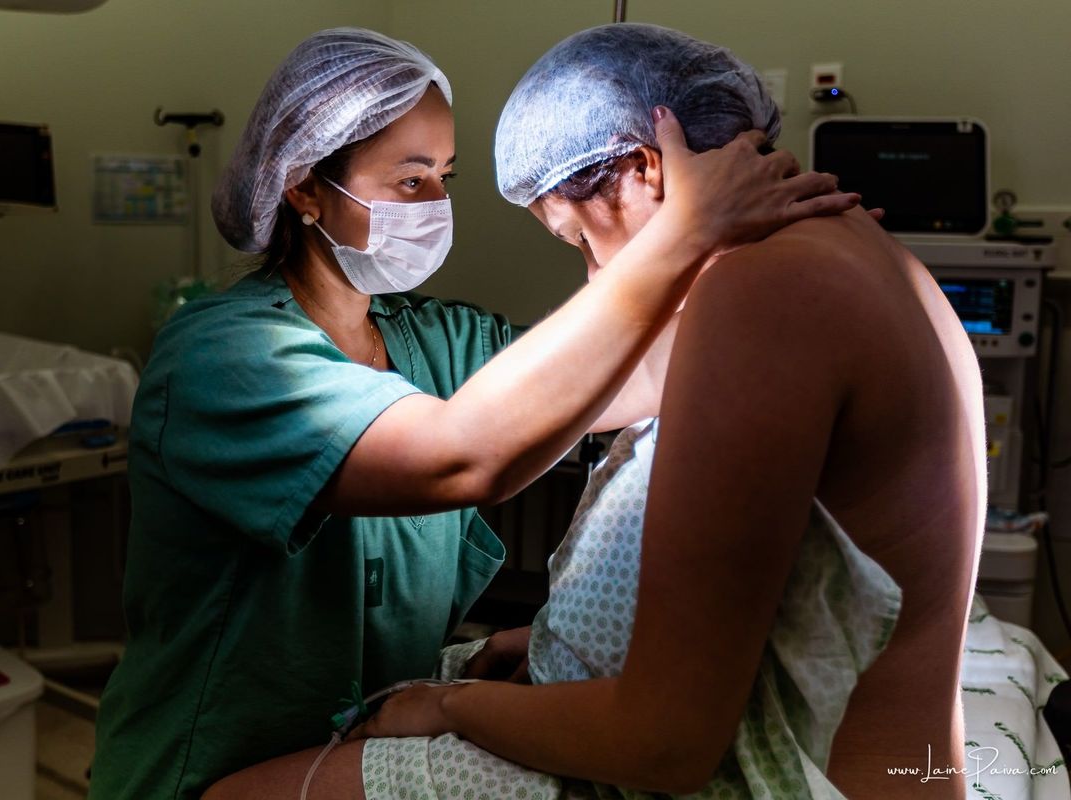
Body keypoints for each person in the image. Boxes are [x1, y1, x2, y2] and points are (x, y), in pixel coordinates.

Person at [202, 23, 984, 800]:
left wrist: (451, 705)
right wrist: (560, 645)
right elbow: (536, 412)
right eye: (412, 180)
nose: (591, 275)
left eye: (579, 237)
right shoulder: (866, 254)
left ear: (645, 168)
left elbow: (665, 741)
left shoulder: (760, 294)